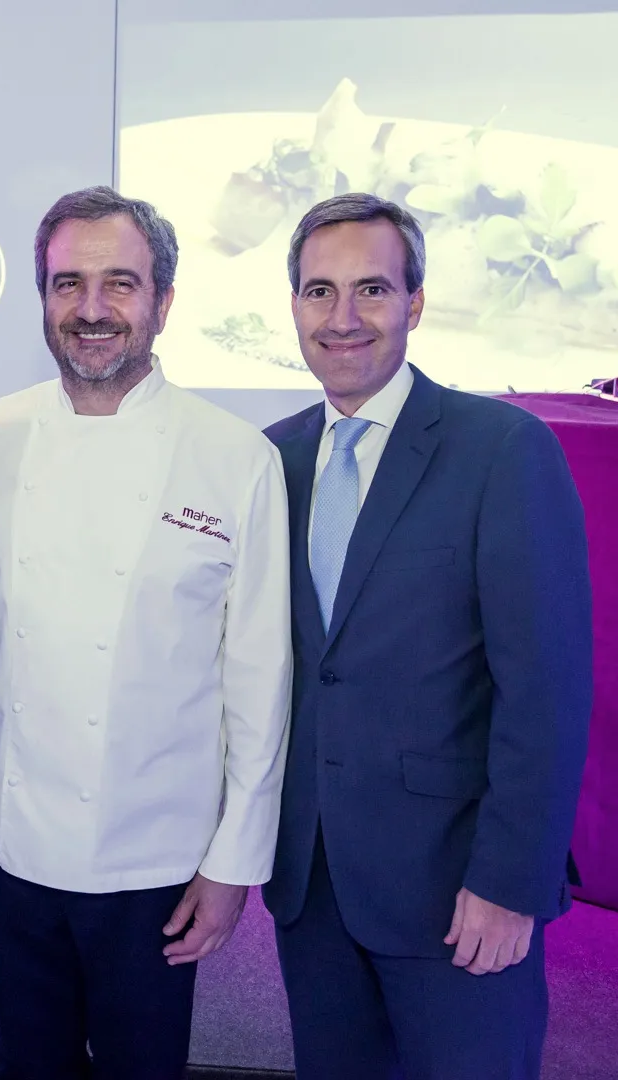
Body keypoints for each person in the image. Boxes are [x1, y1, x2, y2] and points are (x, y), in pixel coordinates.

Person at [0, 186, 292, 1077]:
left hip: (158, 860)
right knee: (29, 1060)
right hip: (7, 840)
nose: (92, 310)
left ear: (163, 302)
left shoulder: (235, 457)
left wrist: (234, 863)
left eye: (119, 285)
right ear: (44, 299)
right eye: (68, 285)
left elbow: (259, 673)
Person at [263, 192, 592, 1080]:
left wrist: (510, 884)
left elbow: (549, 690)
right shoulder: (268, 461)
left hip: (458, 893)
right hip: (312, 888)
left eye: (371, 289)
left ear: (416, 302)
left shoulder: (503, 449)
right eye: (318, 292)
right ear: (292, 305)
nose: (343, 318)